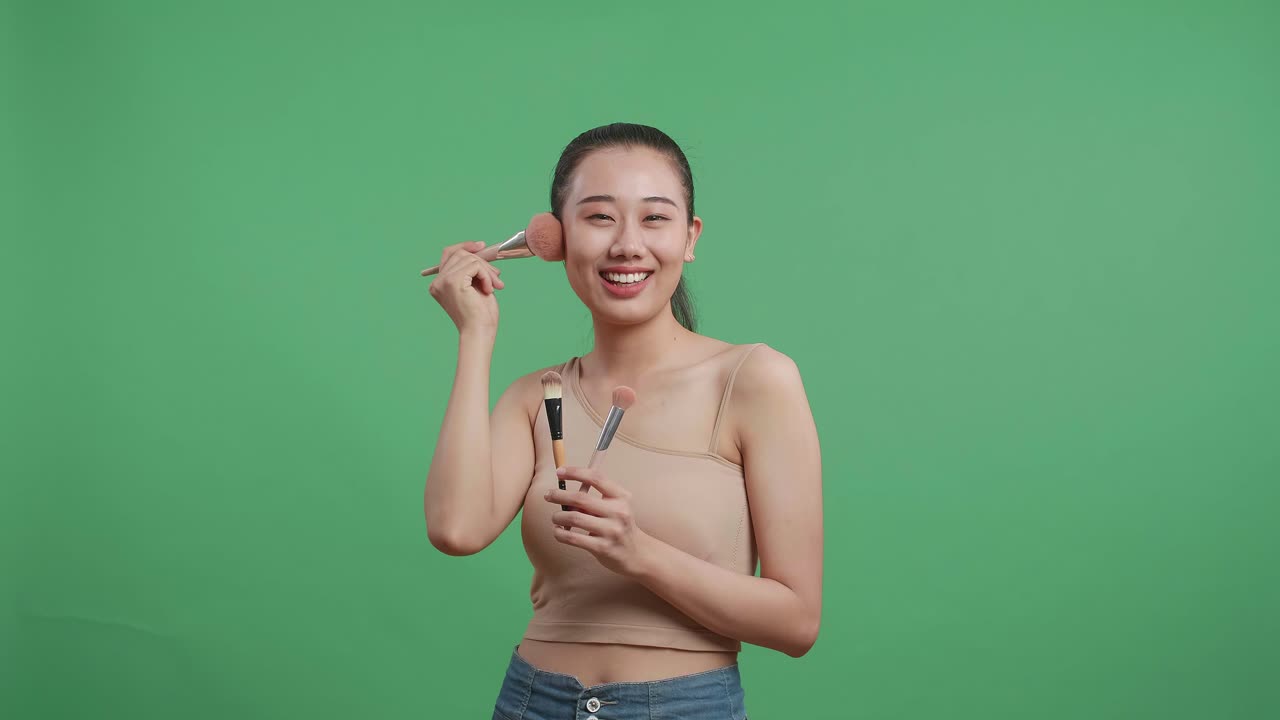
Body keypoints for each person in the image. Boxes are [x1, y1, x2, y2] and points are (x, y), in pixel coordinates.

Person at [424, 123, 823, 720]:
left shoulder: (754, 380)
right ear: (556, 238)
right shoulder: (537, 396)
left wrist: (636, 551)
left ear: (690, 237)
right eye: (600, 217)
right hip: (534, 702)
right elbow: (455, 531)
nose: (628, 245)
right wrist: (475, 335)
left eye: (655, 218)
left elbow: (797, 623)